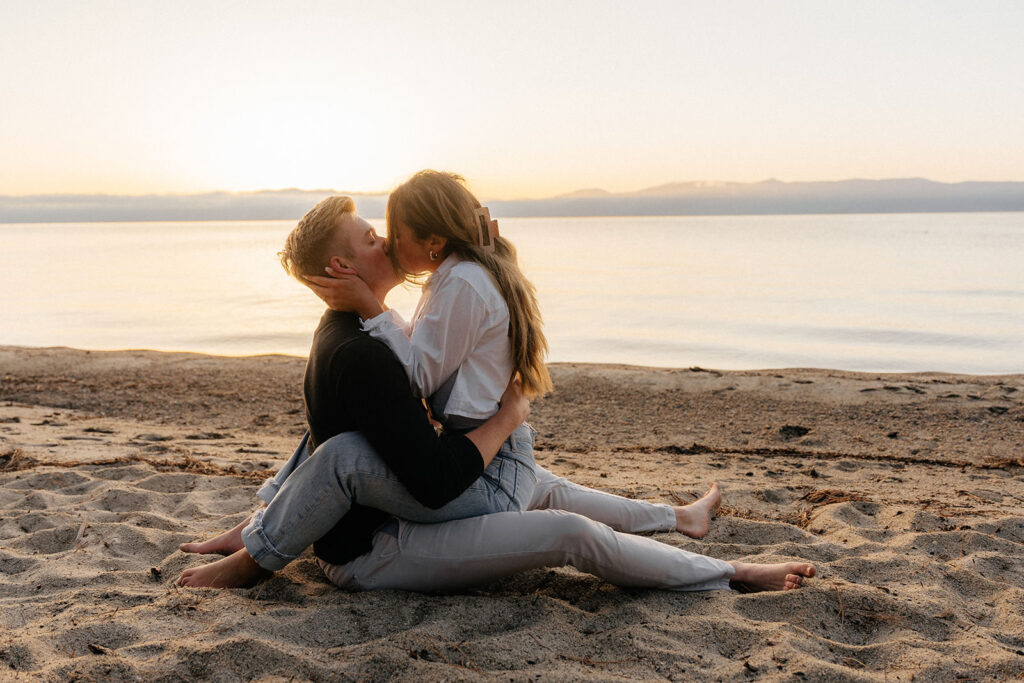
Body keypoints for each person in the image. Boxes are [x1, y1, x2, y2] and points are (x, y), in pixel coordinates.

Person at [178, 187, 815, 593]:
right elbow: (427, 478)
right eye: (372, 239)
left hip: (389, 520)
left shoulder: (348, 329)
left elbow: (324, 427)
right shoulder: (363, 354)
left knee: (541, 486)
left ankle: (679, 519)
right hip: (382, 550)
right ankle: (730, 575)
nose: (390, 242)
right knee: (567, 529)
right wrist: (508, 417)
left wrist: (480, 261)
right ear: (342, 267)